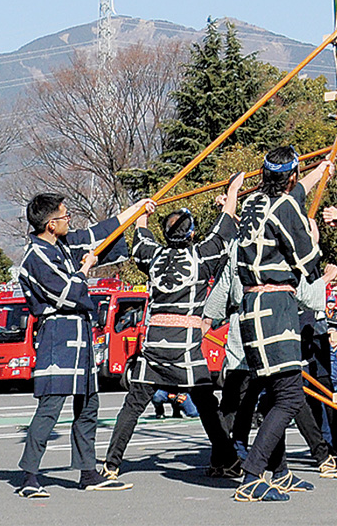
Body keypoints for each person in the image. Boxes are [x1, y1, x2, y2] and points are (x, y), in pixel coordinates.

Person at [103, 174, 245, 482]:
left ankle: (111, 464)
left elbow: (141, 238)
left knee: (133, 406)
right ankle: (227, 460)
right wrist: (233, 190)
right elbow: (223, 228)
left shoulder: (154, 256)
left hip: (154, 344)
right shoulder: (201, 256)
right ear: (192, 233)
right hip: (185, 347)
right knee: (206, 405)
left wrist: (143, 212)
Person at [15, 192, 153, 499]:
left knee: (89, 405)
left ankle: (88, 472)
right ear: (50, 224)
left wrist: (137, 209)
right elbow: (67, 293)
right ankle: (29, 477)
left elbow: (99, 233)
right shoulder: (35, 257)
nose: (69, 220)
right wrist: (86, 268)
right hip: (57, 334)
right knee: (50, 408)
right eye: (64, 216)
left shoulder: (63, 243)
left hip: (81, 334)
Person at [233, 146, 333, 502]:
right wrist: (314, 239)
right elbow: (309, 263)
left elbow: (296, 192)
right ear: (291, 176)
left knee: (277, 392)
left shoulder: (253, 203)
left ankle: (280, 471)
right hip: (275, 308)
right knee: (290, 397)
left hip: (252, 307)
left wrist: (322, 170)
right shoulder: (286, 208)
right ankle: (252, 474)